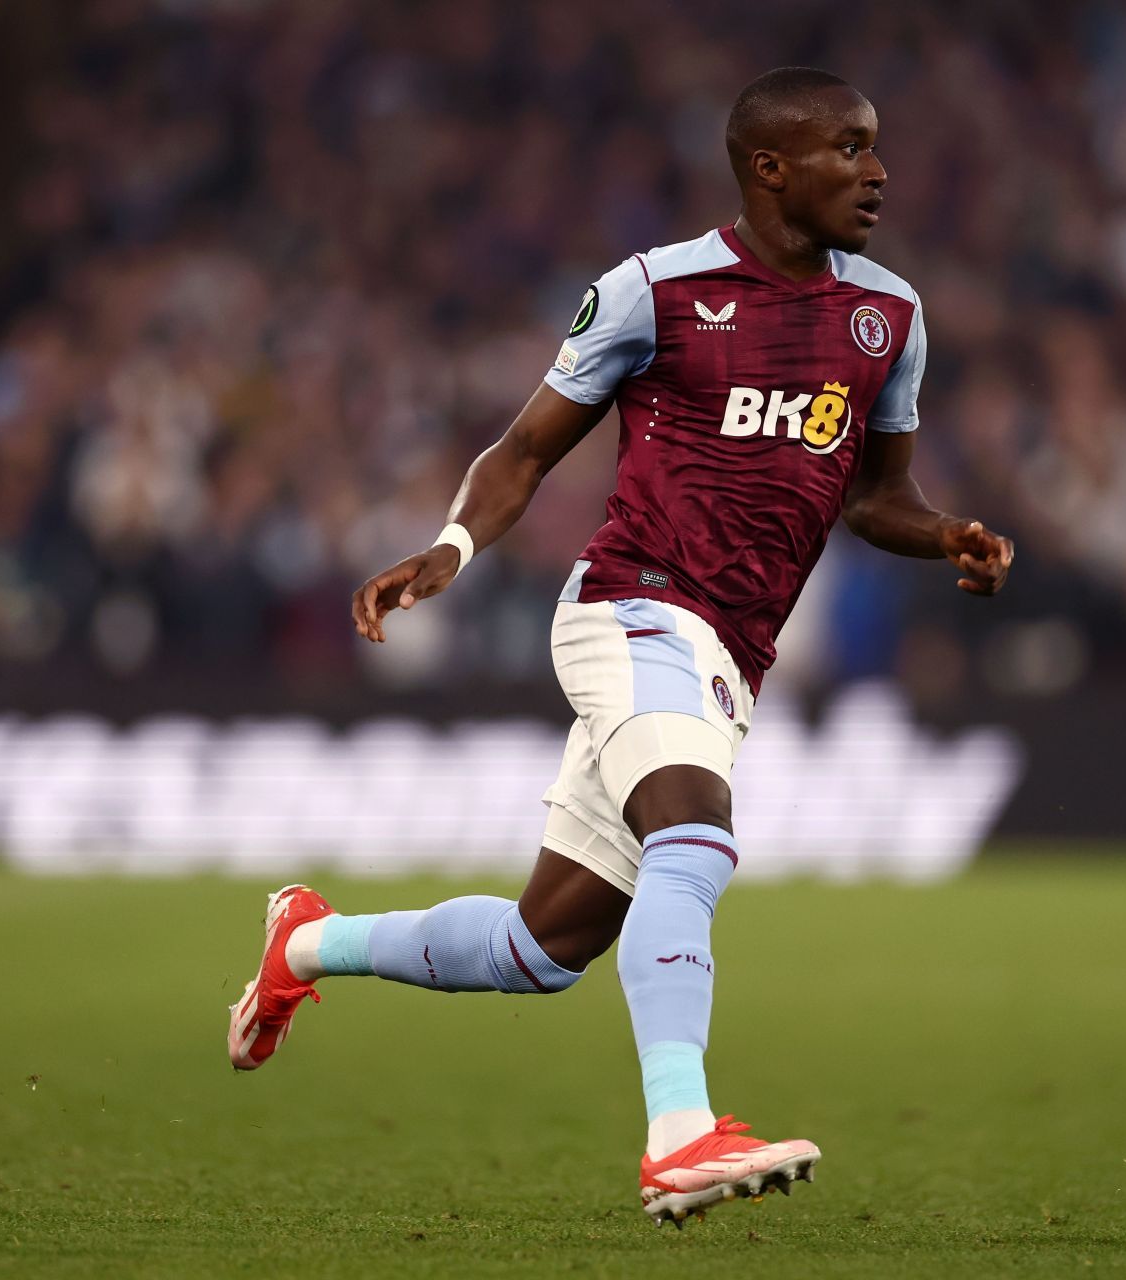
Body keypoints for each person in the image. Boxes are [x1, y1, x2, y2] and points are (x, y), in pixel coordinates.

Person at [226, 66, 1014, 1226]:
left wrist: (944, 529)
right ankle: (680, 1134)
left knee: (542, 945)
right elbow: (524, 449)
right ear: (769, 167)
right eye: (848, 148)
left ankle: (308, 942)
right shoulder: (658, 291)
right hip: (632, 607)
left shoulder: (886, 314)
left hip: (732, 655)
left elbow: (869, 494)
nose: (877, 171)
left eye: (876, 147)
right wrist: (450, 546)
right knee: (694, 833)